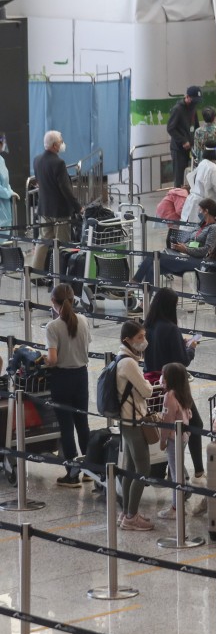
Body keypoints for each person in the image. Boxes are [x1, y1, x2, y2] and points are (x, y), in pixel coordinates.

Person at [143, 287, 205, 480]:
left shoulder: (148, 326)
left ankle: (166, 468)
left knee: (164, 426)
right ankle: (198, 469)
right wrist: (191, 348)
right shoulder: (170, 329)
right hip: (174, 386)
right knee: (195, 423)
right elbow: (182, 361)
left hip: (154, 384)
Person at [45, 283, 91, 488]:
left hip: (62, 378)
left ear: (54, 303)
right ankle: (91, 467)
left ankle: (72, 473)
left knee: (66, 426)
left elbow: (53, 359)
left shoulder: (53, 326)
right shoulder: (83, 320)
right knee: (82, 422)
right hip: (81, 376)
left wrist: (44, 360)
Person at [116, 321, 156, 531]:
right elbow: (147, 391)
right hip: (133, 421)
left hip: (126, 420)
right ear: (128, 340)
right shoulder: (129, 364)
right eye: (139, 337)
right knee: (143, 468)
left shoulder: (122, 358)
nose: (143, 341)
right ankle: (131, 517)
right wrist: (149, 384)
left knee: (130, 468)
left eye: (144, 335)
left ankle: (126, 512)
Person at [134, 198, 216, 285]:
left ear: (206, 211)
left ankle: (133, 284)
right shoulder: (200, 225)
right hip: (185, 255)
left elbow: (207, 250)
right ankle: (147, 296)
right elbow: (190, 241)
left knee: (152, 257)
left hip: (196, 260)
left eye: (200, 210)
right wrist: (180, 246)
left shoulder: (214, 228)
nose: (198, 212)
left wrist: (186, 250)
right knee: (151, 268)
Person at [32, 130, 82, 278]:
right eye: (60, 142)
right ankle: (61, 275)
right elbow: (65, 189)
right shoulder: (59, 163)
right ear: (54, 146)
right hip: (60, 211)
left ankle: (36, 274)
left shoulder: (37, 160)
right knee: (63, 244)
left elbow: (40, 183)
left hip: (44, 209)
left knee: (43, 242)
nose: (62, 144)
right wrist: (78, 206)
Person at [156, 362, 193, 519]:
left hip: (173, 438)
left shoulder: (169, 396)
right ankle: (179, 504)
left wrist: (163, 440)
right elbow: (189, 415)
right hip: (184, 436)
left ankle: (176, 508)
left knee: (174, 472)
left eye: (163, 375)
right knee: (177, 470)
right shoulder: (183, 393)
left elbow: (167, 421)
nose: (161, 378)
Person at [180, 142, 216, 223]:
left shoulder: (203, 163)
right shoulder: (214, 169)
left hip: (194, 203)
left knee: (190, 230)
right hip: (204, 207)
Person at [167, 86, 202, 188]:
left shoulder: (193, 109)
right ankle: (178, 200)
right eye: (193, 100)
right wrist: (183, 140)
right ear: (187, 97)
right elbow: (170, 128)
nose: (195, 103)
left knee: (191, 176)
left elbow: (196, 126)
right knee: (179, 179)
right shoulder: (177, 109)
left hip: (191, 148)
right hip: (178, 149)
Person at [0, 132, 20, 232]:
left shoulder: (1, 160)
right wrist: (8, 193)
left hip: (4, 206)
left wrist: (10, 191)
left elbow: (5, 181)